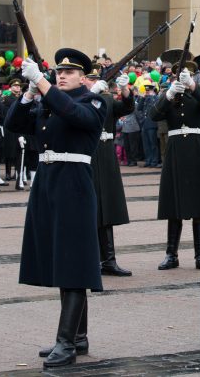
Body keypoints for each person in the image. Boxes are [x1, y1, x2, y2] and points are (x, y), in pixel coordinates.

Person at [4, 48, 106, 369]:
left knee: (73, 263)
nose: (62, 76)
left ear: (83, 78)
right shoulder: (50, 101)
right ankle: (78, 336)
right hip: (48, 184)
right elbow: (14, 126)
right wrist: (29, 94)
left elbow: (77, 117)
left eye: (70, 72)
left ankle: (66, 342)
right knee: (60, 259)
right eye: (58, 72)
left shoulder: (93, 101)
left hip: (73, 185)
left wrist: (45, 87)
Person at [149, 57, 200, 271]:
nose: (183, 77)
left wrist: (193, 86)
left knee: (199, 205)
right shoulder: (169, 96)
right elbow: (153, 115)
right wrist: (168, 95)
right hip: (176, 149)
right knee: (174, 205)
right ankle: (171, 254)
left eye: (186, 73)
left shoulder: (199, 93)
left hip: (197, 149)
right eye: (178, 74)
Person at [82, 68, 135, 277]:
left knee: (107, 209)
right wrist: (91, 94)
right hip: (88, 152)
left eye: (96, 79)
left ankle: (109, 260)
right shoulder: (79, 98)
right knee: (90, 210)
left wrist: (124, 89)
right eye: (90, 79)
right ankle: (90, 260)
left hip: (106, 154)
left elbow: (127, 107)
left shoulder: (106, 98)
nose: (93, 82)